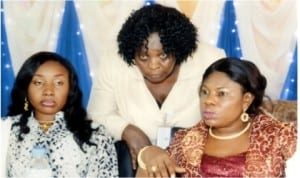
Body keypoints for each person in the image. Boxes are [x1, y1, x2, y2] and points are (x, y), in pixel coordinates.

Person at [87, 3, 225, 170]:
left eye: (164, 55)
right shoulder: (114, 62)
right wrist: (126, 130)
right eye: (143, 57)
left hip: (197, 162)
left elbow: (230, 113)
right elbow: (96, 115)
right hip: (135, 166)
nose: (153, 65)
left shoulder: (210, 59)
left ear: (179, 50)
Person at [136, 57, 297, 177]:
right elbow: (154, 167)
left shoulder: (280, 136)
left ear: (246, 100)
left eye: (222, 94)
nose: (209, 101)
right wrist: (148, 153)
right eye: (205, 92)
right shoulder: (185, 141)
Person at [1, 51, 118, 177]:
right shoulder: (5, 130)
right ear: (26, 88)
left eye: (58, 83)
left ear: (70, 89)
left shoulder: (96, 136)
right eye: (38, 82)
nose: (48, 91)